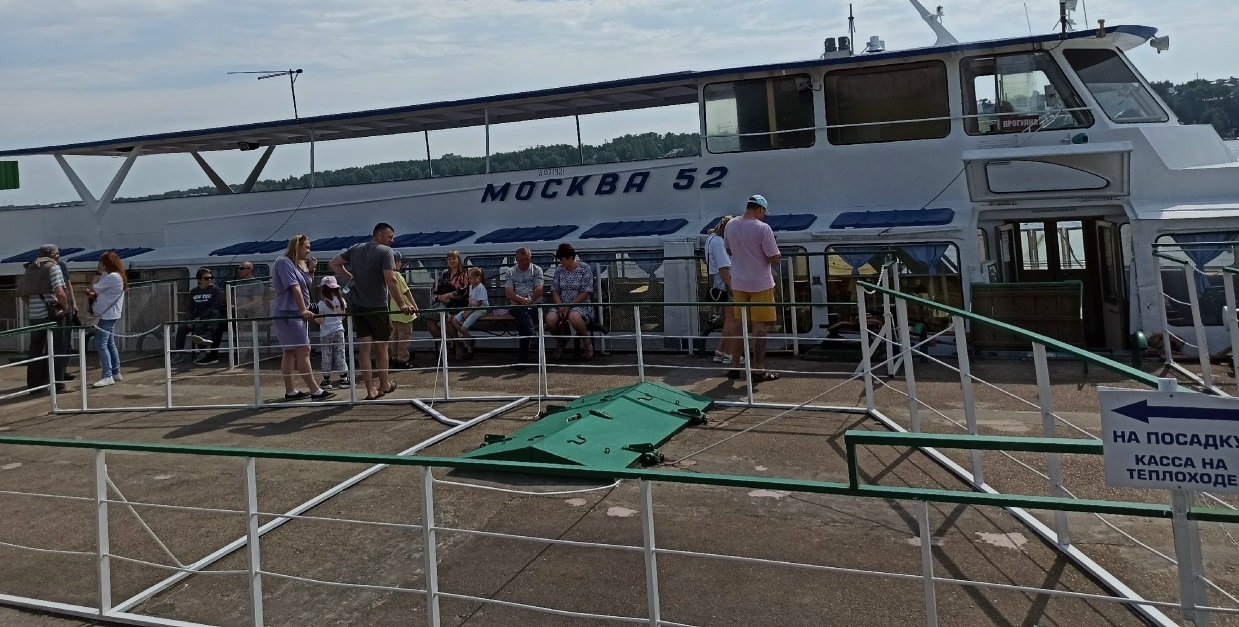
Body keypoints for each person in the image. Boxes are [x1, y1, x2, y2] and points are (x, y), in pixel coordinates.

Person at [329, 222, 416, 400]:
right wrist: (402, 304)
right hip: (377, 306)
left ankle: (370, 390)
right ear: (379, 235)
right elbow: (391, 279)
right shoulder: (386, 252)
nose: (392, 240)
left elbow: (334, 263)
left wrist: (351, 278)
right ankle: (384, 384)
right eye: (390, 237)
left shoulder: (355, 248)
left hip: (358, 305)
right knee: (382, 347)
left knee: (365, 348)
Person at [724, 194, 782, 382]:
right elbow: (773, 257)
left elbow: (729, 250)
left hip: (738, 283)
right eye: (764, 211)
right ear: (760, 209)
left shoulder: (730, 224)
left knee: (739, 326)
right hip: (760, 284)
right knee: (759, 327)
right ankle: (759, 370)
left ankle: (734, 367)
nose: (764, 215)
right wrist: (775, 256)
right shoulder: (763, 228)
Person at [271, 235, 334, 401]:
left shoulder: (298, 264)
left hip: (292, 312)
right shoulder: (284, 262)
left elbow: (306, 285)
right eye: (306, 247)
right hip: (288, 312)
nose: (308, 251)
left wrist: (311, 270)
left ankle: (291, 391)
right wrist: (303, 309)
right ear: (297, 247)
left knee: (289, 352)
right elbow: (295, 288)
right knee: (303, 350)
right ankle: (315, 390)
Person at [17, 244, 69, 394]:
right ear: (53, 254)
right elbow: (59, 292)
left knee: (36, 350)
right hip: (52, 315)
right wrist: (65, 307)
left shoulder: (30, 268)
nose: (58, 256)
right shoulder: (53, 268)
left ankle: (34, 386)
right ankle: (58, 384)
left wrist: (34, 306)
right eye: (58, 253)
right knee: (58, 348)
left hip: (35, 315)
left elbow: (23, 294)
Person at [544, 243, 594, 359]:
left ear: (571, 258)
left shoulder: (585, 268)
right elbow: (555, 291)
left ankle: (586, 341)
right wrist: (561, 305)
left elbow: (586, 291)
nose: (561, 263)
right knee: (550, 319)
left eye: (563, 260)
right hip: (562, 303)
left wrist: (570, 305)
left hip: (581, 304)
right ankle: (561, 340)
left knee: (574, 317)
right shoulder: (559, 270)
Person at [86, 251, 127, 388]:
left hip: (106, 314)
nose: (99, 264)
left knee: (101, 344)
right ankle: (115, 371)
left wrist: (98, 273)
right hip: (111, 313)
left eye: (100, 262)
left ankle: (107, 375)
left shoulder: (113, 277)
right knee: (109, 343)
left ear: (105, 263)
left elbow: (93, 287)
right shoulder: (116, 276)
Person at [706, 215, 741, 366]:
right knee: (732, 319)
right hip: (725, 283)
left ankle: (720, 352)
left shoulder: (711, 239)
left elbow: (710, 231)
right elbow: (723, 267)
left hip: (719, 283)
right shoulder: (719, 243)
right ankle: (730, 354)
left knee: (729, 319)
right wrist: (731, 287)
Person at [175, 267, 226, 365]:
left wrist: (200, 318)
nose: (209, 280)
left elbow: (214, 307)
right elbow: (190, 308)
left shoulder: (215, 290)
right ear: (199, 280)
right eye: (206, 278)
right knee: (181, 328)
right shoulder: (194, 292)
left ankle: (202, 353)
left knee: (199, 326)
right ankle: (179, 353)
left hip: (209, 317)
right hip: (196, 317)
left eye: (211, 278)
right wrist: (189, 319)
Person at [504, 246, 545, 368]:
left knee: (524, 323)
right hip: (517, 304)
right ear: (516, 259)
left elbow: (539, 289)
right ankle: (532, 335)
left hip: (534, 303)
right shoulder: (510, 272)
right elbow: (509, 292)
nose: (524, 262)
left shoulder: (537, 270)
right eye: (521, 260)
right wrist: (521, 300)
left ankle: (522, 359)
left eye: (527, 259)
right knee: (523, 315)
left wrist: (528, 300)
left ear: (530, 258)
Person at [423, 250, 469, 354]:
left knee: (447, 319)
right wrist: (439, 297)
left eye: (454, 258)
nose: (452, 261)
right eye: (449, 259)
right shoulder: (444, 275)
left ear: (458, 259)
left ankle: (458, 345)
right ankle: (445, 345)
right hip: (443, 305)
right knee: (430, 322)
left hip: (458, 305)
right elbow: (435, 293)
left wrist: (447, 295)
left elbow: (462, 292)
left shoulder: (463, 274)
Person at [315, 275, 349, 390]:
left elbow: (320, 321)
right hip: (339, 331)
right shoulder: (341, 301)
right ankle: (344, 379)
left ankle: (326, 380)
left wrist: (314, 316)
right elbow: (342, 317)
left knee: (326, 355)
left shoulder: (321, 304)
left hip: (326, 333)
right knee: (340, 354)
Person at [388, 251, 418, 368]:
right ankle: (403, 359)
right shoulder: (397, 275)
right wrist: (415, 306)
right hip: (405, 312)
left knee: (395, 337)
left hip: (394, 311)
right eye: (399, 261)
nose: (400, 263)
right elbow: (406, 292)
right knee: (404, 338)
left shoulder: (388, 276)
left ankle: (394, 358)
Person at [453, 266, 488, 359]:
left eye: (471, 278)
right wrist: (466, 310)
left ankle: (469, 346)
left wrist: (468, 313)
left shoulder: (480, 288)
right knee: (454, 320)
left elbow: (478, 304)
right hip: (471, 308)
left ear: (478, 278)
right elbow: (470, 301)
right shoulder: (471, 287)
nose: (469, 280)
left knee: (464, 328)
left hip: (480, 309)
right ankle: (468, 339)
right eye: (468, 278)